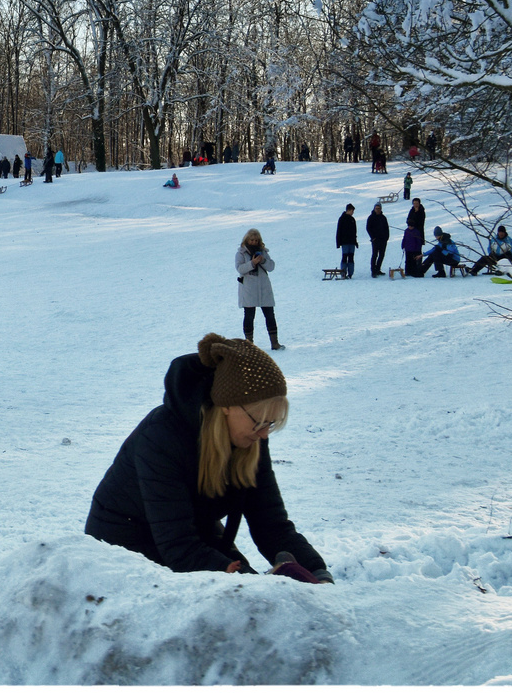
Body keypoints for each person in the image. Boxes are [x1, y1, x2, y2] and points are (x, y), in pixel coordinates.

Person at [84, 334, 331, 581]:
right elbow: (179, 548)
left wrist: (316, 571)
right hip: (120, 548)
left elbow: (271, 524)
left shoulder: (251, 439)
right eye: (259, 422)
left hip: (190, 532)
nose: (264, 434)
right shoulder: (161, 438)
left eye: (271, 423)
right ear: (226, 406)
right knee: (244, 597)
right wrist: (248, 579)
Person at [235, 229, 282, 350]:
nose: (254, 242)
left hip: (263, 287)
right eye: (252, 240)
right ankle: (249, 345)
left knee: (270, 315)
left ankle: (275, 343)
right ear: (247, 240)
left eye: (256, 240)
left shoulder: (263, 252)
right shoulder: (241, 253)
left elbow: (271, 267)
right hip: (249, 288)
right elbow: (240, 269)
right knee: (249, 316)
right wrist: (252, 263)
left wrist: (263, 261)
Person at [403, 199, 426, 277]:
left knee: (418, 251)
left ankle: (418, 269)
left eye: (417, 203)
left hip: (418, 233)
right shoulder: (411, 210)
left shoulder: (421, 211)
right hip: (410, 233)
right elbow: (408, 219)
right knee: (409, 254)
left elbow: (421, 221)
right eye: (414, 203)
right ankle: (409, 270)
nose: (415, 204)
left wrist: (416, 214)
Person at [366, 202, 390, 278]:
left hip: (383, 239)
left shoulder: (383, 217)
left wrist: (387, 237)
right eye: (376, 208)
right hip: (375, 240)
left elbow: (386, 228)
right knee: (375, 255)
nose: (378, 210)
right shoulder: (371, 217)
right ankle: (373, 271)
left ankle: (378, 269)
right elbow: (368, 228)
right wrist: (373, 237)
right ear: (374, 209)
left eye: (379, 208)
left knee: (382, 255)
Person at [335, 204, 358, 278]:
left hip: (352, 242)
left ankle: (350, 273)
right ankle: (343, 273)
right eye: (352, 211)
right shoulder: (342, 219)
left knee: (351, 257)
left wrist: (355, 241)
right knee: (344, 257)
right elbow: (339, 231)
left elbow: (354, 232)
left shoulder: (352, 219)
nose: (352, 212)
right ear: (348, 210)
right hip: (345, 242)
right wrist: (338, 242)